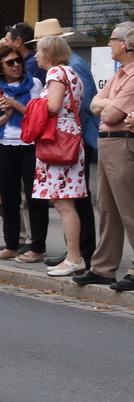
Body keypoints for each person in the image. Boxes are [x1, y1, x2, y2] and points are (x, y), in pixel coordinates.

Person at [0, 40, 48, 263]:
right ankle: (11, 245)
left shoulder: (35, 84)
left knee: (34, 198)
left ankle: (37, 246)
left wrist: (15, 105)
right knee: (8, 199)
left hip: (30, 146)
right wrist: (5, 117)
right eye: (10, 62)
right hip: (4, 146)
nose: (16, 65)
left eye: (18, 60)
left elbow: (40, 115)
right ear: (0, 66)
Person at [31, 34, 90, 278]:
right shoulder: (72, 73)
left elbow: (53, 106)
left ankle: (74, 258)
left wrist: (34, 105)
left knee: (63, 204)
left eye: (38, 51)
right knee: (65, 202)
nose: (35, 56)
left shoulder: (56, 73)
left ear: (49, 53)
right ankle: (73, 256)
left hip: (57, 141)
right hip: (69, 140)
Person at [87, 22, 134, 291]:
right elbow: (96, 104)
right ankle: (103, 269)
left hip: (123, 145)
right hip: (107, 143)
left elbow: (108, 114)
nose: (109, 44)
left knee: (129, 210)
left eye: (112, 39)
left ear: (126, 45)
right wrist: (107, 105)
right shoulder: (119, 75)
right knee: (107, 210)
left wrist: (106, 105)